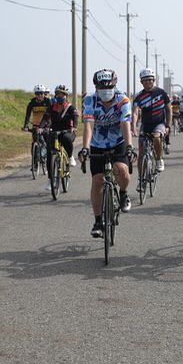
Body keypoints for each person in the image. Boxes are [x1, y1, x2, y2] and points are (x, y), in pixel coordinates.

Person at [78, 69, 135, 238]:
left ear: (115, 86)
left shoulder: (122, 100)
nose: (105, 90)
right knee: (97, 180)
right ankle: (97, 221)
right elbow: (88, 124)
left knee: (122, 170)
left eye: (108, 87)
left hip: (118, 142)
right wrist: (85, 148)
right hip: (97, 144)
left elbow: (126, 124)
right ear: (96, 87)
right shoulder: (90, 100)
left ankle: (123, 193)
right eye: (101, 87)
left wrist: (130, 147)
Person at [132, 68, 171, 179]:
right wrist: (133, 126)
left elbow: (169, 110)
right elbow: (135, 112)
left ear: (154, 80)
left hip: (159, 123)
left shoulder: (162, 93)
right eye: (145, 80)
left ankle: (159, 160)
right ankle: (141, 179)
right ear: (141, 82)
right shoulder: (139, 96)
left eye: (150, 80)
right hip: (145, 125)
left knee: (156, 137)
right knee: (141, 152)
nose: (148, 82)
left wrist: (168, 125)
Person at [39, 84, 79, 185]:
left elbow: (75, 117)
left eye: (62, 95)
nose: (60, 97)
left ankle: (70, 157)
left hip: (67, 131)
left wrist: (74, 126)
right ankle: (50, 179)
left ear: (66, 96)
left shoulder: (70, 108)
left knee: (66, 138)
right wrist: (41, 127)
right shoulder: (51, 107)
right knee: (49, 153)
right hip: (54, 132)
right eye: (58, 95)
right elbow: (45, 118)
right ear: (55, 96)